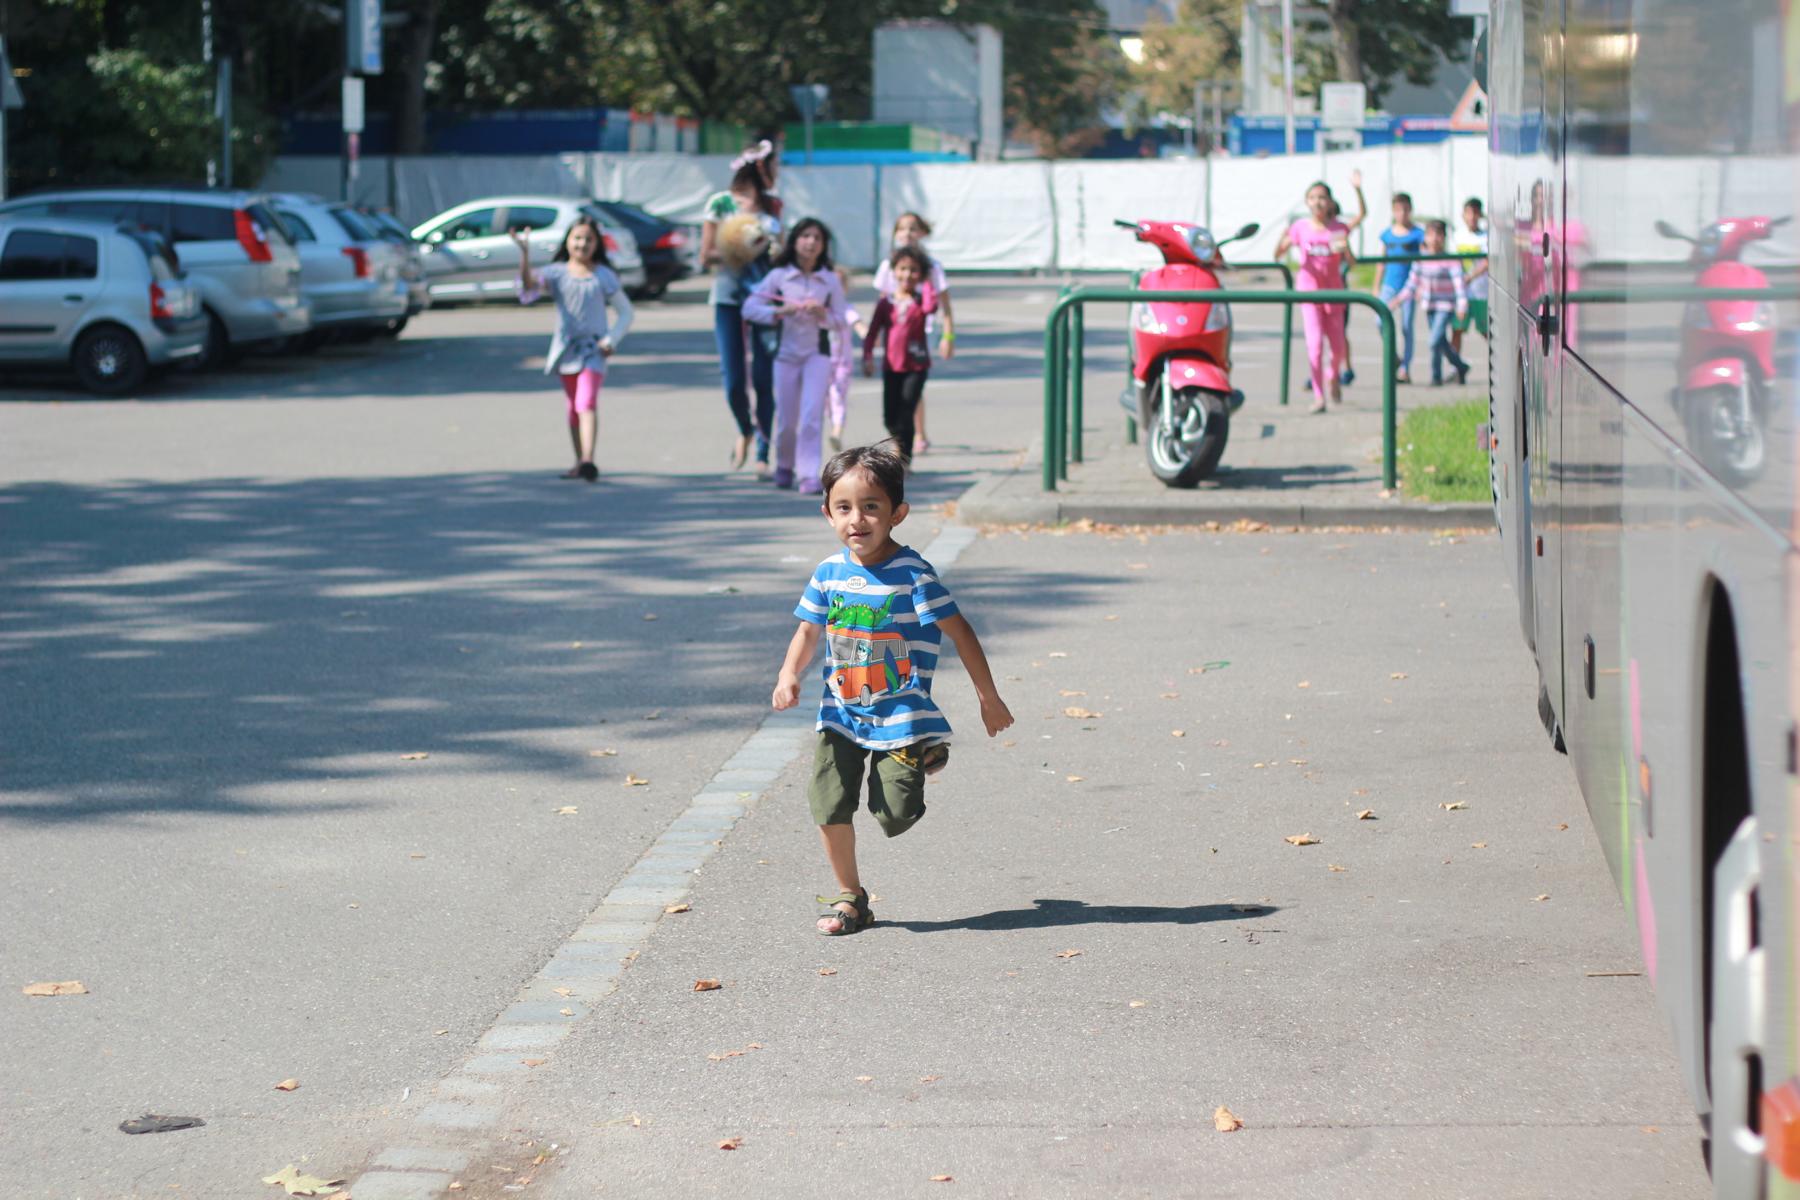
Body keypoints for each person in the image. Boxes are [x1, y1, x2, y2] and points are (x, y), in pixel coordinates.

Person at [770, 443, 1014, 936]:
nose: (856, 520)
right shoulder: (829, 573)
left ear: (897, 513)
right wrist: (788, 674)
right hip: (840, 711)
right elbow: (808, 630)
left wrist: (989, 697)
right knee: (828, 802)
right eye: (843, 508)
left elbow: (960, 631)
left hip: (900, 714)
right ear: (827, 513)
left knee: (894, 814)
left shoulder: (913, 576)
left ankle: (924, 753)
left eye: (871, 507)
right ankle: (850, 898)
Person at [512, 216, 634, 483]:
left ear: (597, 244)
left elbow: (625, 312)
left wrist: (611, 339)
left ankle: (589, 459)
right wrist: (524, 255)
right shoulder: (556, 273)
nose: (582, 244)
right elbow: (529, 288)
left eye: (589, 239)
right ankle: (579, 461)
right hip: (566, 351)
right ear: (567, 241)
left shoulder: (603, 275)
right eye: (577, 238)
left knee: (585, 402)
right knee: (573, 408)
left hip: (594, 350)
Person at [743, 218, 857, 494]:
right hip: (785, 355)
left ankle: (808, 474)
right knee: (787, 419)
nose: (811, 242)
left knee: (811, 416)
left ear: (824, 246)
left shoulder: (829, 280)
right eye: (805, 236)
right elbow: (749, 308)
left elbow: (842, 318)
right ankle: (784, 465)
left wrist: (823, 315)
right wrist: (779, 313)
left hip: (817, 355)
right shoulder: (779, 276)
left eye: (817, 238)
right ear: (794, 241)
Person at [699, 141, 782, 473]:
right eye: (774, 165)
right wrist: (740, 248)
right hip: (728, 297)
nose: (777, 172)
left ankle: (762, 450)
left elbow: (781, 250)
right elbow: (706, 255)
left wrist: (774, 250)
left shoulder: (774, 205)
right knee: (733, 379)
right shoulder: (720, 203)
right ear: (759, 167)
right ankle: (744, 429)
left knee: (764, 376)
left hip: (765, 298)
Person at [869, 213, 955, 452]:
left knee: (913, 388)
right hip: (896, 333)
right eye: (902, 229)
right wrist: (875, 334)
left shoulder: (932, 267)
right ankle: (908, 434)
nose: (907, 233)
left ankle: (916, 435)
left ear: (922, 233)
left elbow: (945, 304)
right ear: (895, 234)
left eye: (913, 229)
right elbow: (883, 301)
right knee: (899, 391)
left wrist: (948, 336)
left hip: (920, 333)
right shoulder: (888, 265)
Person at [1273, 181, 1355, 413]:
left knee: (1338, 348)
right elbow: (1278, 253)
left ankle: (1333, 376)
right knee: (1315, 346)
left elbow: (1351, 262)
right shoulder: (1300, 227)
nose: (1317, 202)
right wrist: (1283, 240)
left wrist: (1345, 249)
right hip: (1309, 293)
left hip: (1334, 293)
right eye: (1312, 198)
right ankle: (1319, 396)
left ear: (1329, 202)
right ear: (1307, 202)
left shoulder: (1338, 228)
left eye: (1322, 198)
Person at [862, 245, 938, 462]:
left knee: (907, 411)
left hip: (916, 365)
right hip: (891, 366)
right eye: (902, 269)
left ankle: (904, 460)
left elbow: (932, 308)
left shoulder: (921, 300)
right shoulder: (886, 303)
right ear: (894, 271)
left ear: (921, 274)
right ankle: (899, 443)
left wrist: (929, 282)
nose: (907, 275)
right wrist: (867, 356)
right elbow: (873, 331)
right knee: (889, 417)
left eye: (914, 270)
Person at [1389, 220, 1470, 387]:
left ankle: (1436, 375)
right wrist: (1397, 300)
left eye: (1439, 234)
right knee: (1440, 342)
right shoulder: (1421, 259)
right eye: (1431, 234)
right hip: (1429, 305)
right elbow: (1412, 284)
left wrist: (1462, 306)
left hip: (1446, 306)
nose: (1435, 238)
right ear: (1425, 237)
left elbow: (1459, 284)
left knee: (1433, 340)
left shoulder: (1451, 259)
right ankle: (1457, 368)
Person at [1327, 170, 1370, 386]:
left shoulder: (1339, 230)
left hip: (1339, 287)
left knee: (1340, 331)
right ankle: (1328, 371)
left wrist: (1358, 189)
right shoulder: (1312, 230)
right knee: (1320, 333)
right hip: (1319, 289)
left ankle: (1346, 368)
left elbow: (1362, 214)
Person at [1378, 192, 1425, 383]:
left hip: (1409, 286)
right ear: (1393, 211)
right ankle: (1394, 356)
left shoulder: (1418, 234)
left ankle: (1405, 367)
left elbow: (1423, 261)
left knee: (1406, 326)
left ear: (1410, 210)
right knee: (1380, 320)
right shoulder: (1387, 234)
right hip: (1390, 284)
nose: (1402, 213)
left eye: (1405, 209)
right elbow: (1381, 262)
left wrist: (1420, 286)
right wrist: (1376, 285)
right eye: (1398, 209)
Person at [1451, 197, 1489, 358]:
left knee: (1486, 331)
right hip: (1462, 294)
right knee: (1457, 329)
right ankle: (1456, 367)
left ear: (1480, 215)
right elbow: (1452, 261)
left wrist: (1471, 276)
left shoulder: (1486, 237)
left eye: (1475, 213)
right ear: (1463, 215)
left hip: (1481, 292)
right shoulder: (1457, 236)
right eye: (1469, 213)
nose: (1472, 217)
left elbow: (1488, 261)